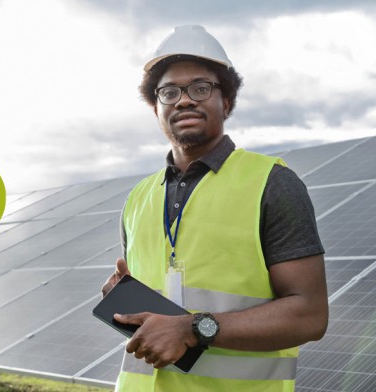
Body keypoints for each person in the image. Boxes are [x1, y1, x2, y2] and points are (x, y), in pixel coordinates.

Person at [101, 25, 328, 391]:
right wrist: (124, 301)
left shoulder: (272, 184)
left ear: (226, 101)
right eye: (169, 92)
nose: (184, 100)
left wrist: (193, 329)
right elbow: (159, 319)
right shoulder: (138, 198)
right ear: (155, 107)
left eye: (200, 88)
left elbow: (309, 315)